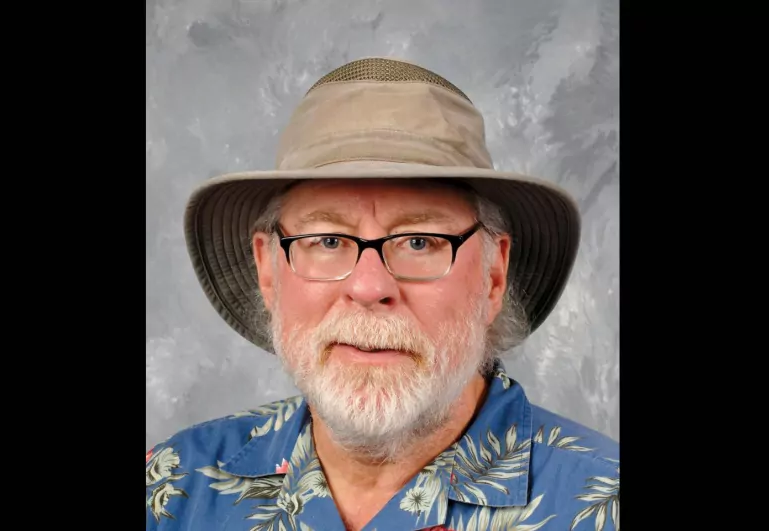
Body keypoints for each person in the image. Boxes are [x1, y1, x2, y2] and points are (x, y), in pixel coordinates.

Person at [146, 57, 619, 531]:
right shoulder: (171, 491)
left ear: (493, 276)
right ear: (268, 272)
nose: (369, 287)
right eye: (327, 241)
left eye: (419, 242)